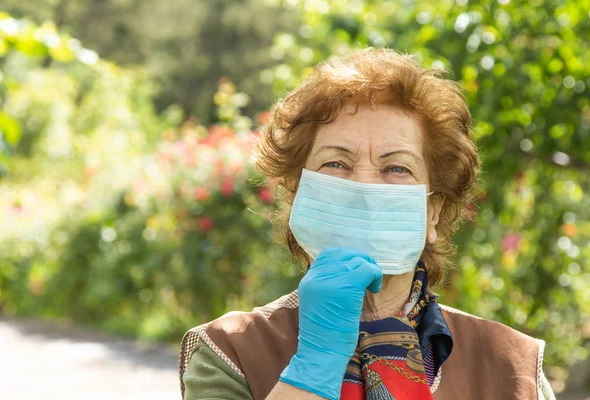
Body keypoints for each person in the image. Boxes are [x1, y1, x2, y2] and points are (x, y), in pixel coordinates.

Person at [178, 48, 556, 400]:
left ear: (433, 212)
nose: (363, 186)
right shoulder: (229, 351)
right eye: (336, 164)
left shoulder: (513, 368)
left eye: (396, 168)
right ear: (297, 194)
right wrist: (314, 366)